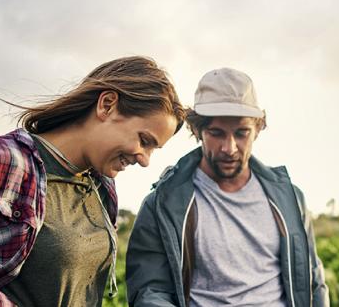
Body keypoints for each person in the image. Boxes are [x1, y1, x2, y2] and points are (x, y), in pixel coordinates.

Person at [0, 56, 186, 306]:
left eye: (154, 149)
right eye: (144, 140)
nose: (145, 160)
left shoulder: (102, 187)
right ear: (107, 105)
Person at [126, 67, 328, 307]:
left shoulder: (291, 199)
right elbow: (149, 291)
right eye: (217, 133)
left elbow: (313, 282)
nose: (229, 148)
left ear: (258, 129)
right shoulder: (163, 203)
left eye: (241, 133)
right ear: (197, 130)